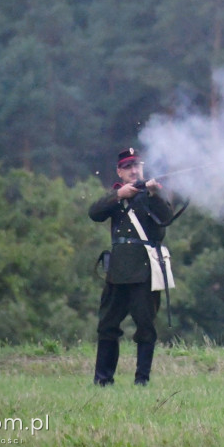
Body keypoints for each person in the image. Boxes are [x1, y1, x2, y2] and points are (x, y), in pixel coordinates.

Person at [89, 148, 177, 386]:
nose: (133, 170)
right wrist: (119, 196)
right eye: (128, 167)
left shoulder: (151, 195)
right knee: (107, 326)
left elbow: (165, 221)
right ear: (120, 171)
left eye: (137, 166)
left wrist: (152, 195)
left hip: (144, 271)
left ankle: (142, 380)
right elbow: (94, 213)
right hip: (117, 272)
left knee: (145, 327)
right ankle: (103, 379)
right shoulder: (115, 197)